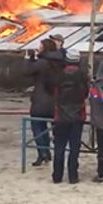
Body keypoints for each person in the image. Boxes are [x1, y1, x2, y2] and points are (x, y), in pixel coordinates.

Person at [50, 47, 88, 184]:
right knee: (74, 148)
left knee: (59, 147)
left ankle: (57, 176)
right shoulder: (83, 75)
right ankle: (73, 176)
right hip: (78, 115)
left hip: (61, 115)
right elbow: (85, 94)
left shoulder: (59, 75)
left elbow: (55, 94)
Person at [24, 38, 59, 166]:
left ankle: (43, 152)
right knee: (54, 128)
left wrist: (29, 59)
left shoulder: (42, 62)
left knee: (38, 126)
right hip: (56, 101)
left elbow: (26, 72)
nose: (38, 48)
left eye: (40, 46)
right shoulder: (60, 62)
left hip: (41, 101)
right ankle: (54, 152)